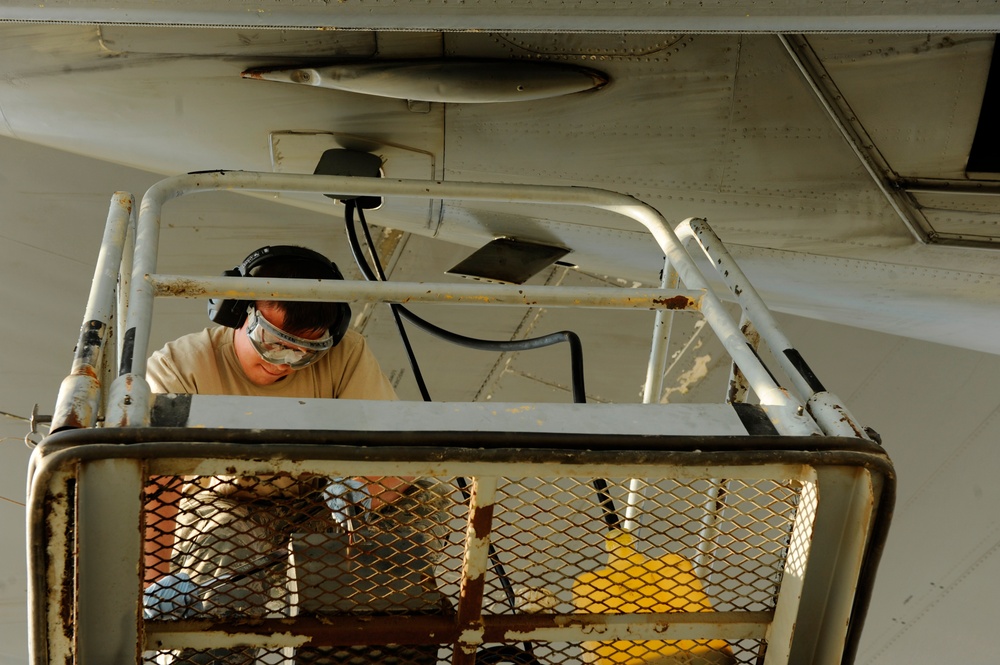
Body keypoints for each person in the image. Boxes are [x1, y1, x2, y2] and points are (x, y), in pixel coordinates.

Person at [142, 246, 448, 665]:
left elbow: (398, 452)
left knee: (421, 497)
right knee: (222, 589)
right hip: (232, 502)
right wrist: (157, 579)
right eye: (273, 343)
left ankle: (370, 643)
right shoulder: (182, 365)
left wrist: (366, 488)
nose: (286, 362)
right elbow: (157, 480)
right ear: (237, 311)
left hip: (322, 497)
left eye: (307, 351)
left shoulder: (347, 353)